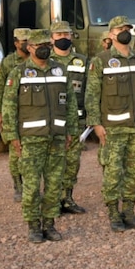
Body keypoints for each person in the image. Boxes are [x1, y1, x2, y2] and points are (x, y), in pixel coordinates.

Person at [1, 29, 78, 243]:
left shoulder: (60, 70)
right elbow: (9, 107)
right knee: (32, 186)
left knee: (54, 184)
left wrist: (71, 130)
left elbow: (70, 102)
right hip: (30, 139)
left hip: (57, 138)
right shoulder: (19, 73)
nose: (44, 48)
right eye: (39, 45)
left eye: (47, 44)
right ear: (30, 48)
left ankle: (50, 224)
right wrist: (12, 136)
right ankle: (34, 226)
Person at [85, 16, 135, 232]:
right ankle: (114, 214)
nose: (125, 31)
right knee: (113, 174)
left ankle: (129, 212)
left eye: (127, 28)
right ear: (111, 34)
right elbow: (91, 95)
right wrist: (96, 124)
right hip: (112, 129)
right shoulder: (101, 60)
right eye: (120, 29)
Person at [49, 20, 89, 214]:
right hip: (51, 124)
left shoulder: (82, 61)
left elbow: (90, 91)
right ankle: (52, 202)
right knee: (53, 163)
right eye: (59, 35)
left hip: (75, 123)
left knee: (72, 162)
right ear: (51, 39)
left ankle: (67, 198)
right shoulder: (45, 62)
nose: (63, 38)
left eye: (67, 35)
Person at [0, 27, 31, 202]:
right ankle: (18, 186)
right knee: (15, 151)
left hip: (32, 111)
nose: (27, 45)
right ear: (16, 43)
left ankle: (32, 185)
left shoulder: (39, 59)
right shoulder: (8, 63)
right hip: (13, 112)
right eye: (24, 42)